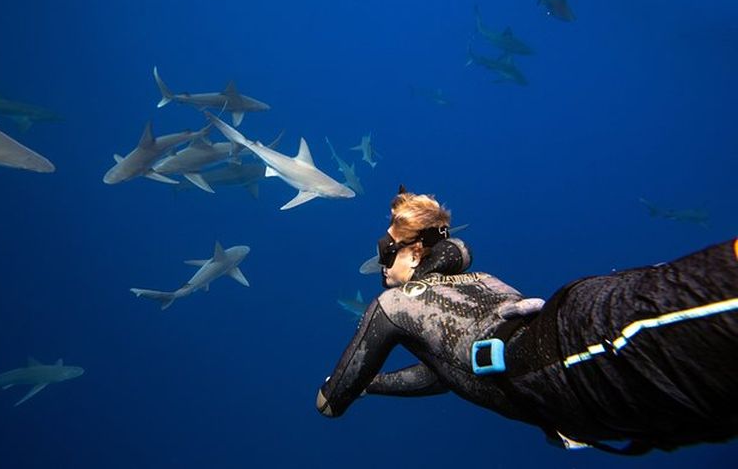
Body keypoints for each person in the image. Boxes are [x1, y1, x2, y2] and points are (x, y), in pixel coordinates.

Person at [316, 188, 738, 455]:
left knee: (714, 298)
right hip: (586, 364)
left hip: (581, 353)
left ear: (414, 254)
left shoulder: (393, 304)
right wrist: (374, 384)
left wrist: (347, 385)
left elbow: (332, 403)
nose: (381, 263)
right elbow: (447, 372)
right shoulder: (480, 280)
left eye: (386, 250)